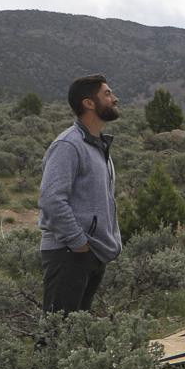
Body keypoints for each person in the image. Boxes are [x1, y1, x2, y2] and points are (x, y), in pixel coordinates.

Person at [38, 75, 123, 313]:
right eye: (107, 94)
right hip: (68, 253)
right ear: (89, 103)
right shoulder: (68, 145)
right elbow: (51, 199)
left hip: (91, 253)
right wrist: (79, 243)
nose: (114, 99)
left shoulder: (97, 145)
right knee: (57, 333)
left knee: (76, 331)